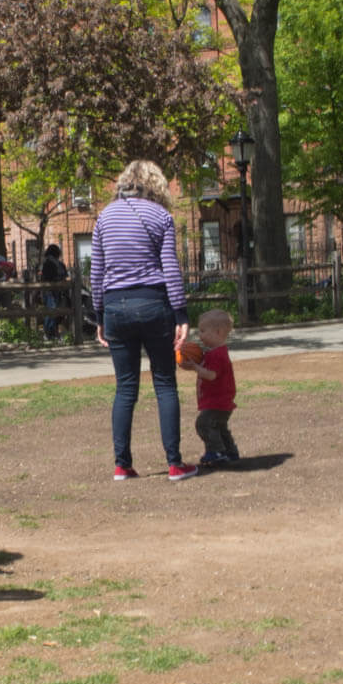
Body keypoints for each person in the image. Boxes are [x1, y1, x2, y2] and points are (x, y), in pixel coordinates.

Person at [91, 160, 200, 482]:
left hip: (115, 305)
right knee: (164, 383)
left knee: (125, 388)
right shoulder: (160, 216)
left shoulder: (104, 217)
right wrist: (180, 312)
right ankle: (174, 463)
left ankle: (122, 465)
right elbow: (170, 267)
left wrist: (98, 314)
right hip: (154, 302)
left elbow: (97, 271)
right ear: (155, 185)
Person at [185, 308, 240, 465]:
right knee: (220, 427)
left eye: (202, 331)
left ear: (217, 332)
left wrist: (195, 367)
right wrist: (192, 364)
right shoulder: (215, 352)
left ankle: (216, 451)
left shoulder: (217, 355)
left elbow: (211, 375)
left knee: (204, 424)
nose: (199, 335)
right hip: (221, 401)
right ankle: (230, 451)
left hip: (217, 402)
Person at [39, 244, 69, 341]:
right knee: (52, 311)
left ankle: (52, 333)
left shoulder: (50, 263)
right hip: (52, 291)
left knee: (53, 312)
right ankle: (50, 333)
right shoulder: (53, 263)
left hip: (54, 291)